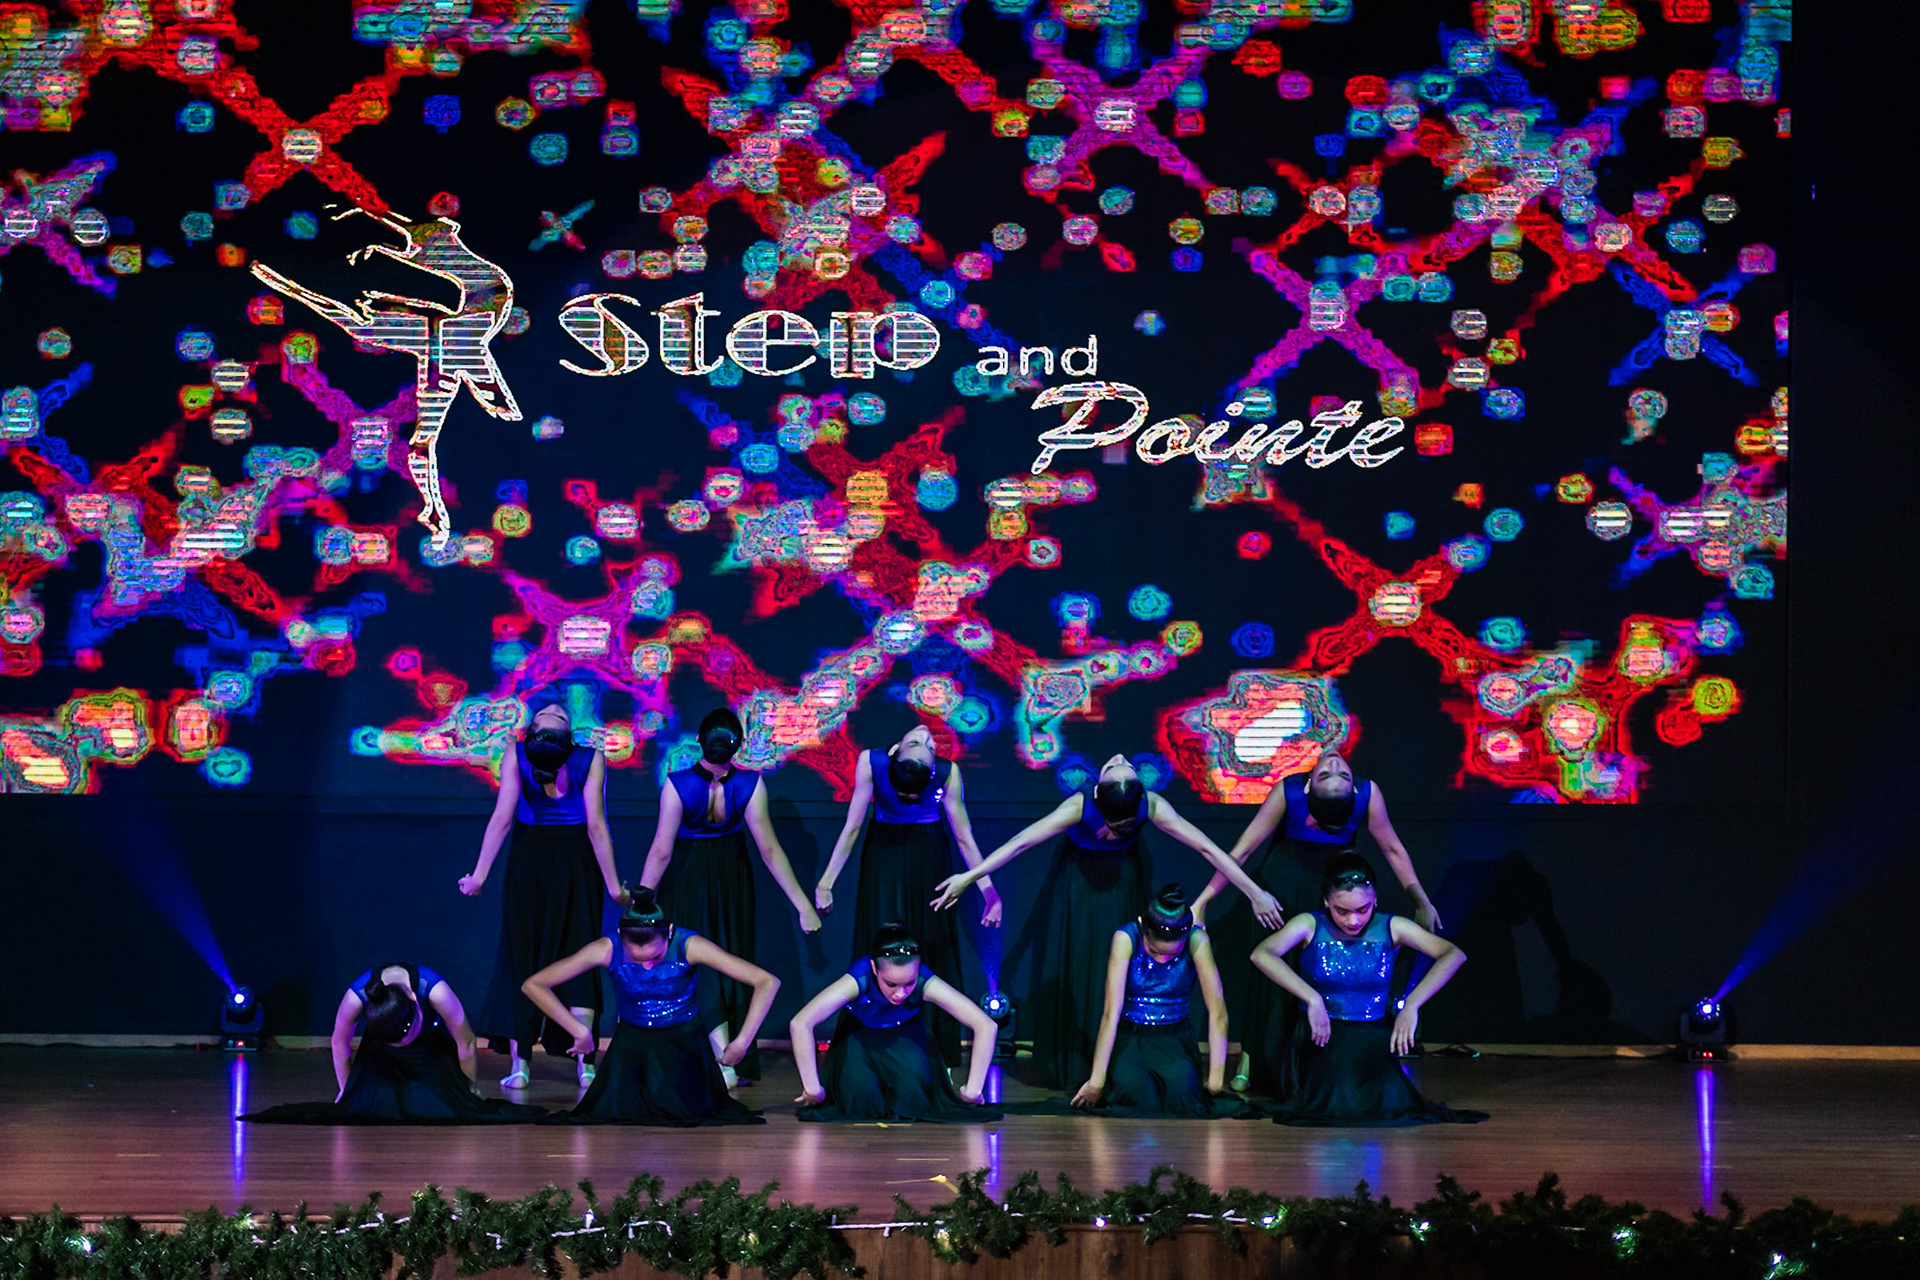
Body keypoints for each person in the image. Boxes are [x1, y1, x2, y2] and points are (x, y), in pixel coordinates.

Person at [931, 754, 1284, 1089]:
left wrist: (1254, 892)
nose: (1119, 757)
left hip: (1124, 883)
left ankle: (1118, 1063)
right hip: (1080, 886)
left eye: (1123, 767)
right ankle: (1080, 1064)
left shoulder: (1151, 805)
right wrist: (971, 878)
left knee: (1121, 967)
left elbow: (1208, 848)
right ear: (1099, 795)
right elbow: (1021, 843)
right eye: (1118, 766)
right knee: (1084, 961)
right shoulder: (1079, 807)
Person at [1193, 748, 1440, 1095]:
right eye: (1327, 775)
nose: (1336, 765)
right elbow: (1243, 850)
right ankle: (1253, 1057)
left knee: (1324, 972)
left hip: (1337, 887)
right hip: (1283, 886)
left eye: (1340, 776)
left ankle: (1314, 1060)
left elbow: (1392, 849)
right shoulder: (1288, 791)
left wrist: (1421, 900)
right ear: (1308, 787)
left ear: (1354, 790)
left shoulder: (1369, 793)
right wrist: (1206, 899)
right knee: (1272, 973)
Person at [639, 708, 821, 1085]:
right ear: (738, 745)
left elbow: (661, 851)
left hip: (693, 879)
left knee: (696, 960)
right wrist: (803, 906)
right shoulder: (750, 784)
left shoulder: (678, 783)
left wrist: (642, 903)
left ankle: (721, 1059)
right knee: (725, 960)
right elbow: (769, 850)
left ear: (700, 740)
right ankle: (725, 1059)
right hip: (728, 881)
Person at [462, 692, 625, 1090]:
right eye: (551, 714)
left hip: (540, 861)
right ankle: (551, 1065)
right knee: (548, 955)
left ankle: (560, 1063)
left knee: (558, 956)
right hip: (564, 862)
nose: (554, 707)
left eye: (556, 714)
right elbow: (594, 826)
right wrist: (614, 887)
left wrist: (480, 876)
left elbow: (507, 818)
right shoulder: (585, 757)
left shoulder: (524, 753)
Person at [814, 725, 1003, 1065]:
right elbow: (853, 826)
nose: (927, 735)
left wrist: (989, 892)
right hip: (883, 855)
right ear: (895, 752)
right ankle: (874, 1043)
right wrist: (826, 882)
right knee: (883, 944)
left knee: (930, 945)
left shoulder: (947, 772)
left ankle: (932, 1048)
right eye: (917, 742)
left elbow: (964, 836)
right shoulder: (870, 762)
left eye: (930, 747)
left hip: (928, 857)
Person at [1252, 852, 1484, 1126]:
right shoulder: (1310, 924)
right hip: (1323, 1037)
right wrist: (1312, 998)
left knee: (1387, 1103)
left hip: (1371, 1037)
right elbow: (1262, 954)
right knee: (1337, 1101)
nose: (1353, 920)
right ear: (1326, 901)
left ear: (1375, 900)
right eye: (1342, 911)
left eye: (1363, 909)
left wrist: (1412, 1004)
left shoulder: (1391, 927)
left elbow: (1453, 954)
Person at [527, 887, 771, 1126]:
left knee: (686, 1112)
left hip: (683, 1046)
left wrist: (742, 1042)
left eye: (656, 957)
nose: (647, 967)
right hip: (632, 1047)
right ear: (620, 935)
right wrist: (579, 1030)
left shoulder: (688, 945)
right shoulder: (608, 948)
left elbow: (767, 982)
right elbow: (534, 985)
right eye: (636, 959)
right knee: (618, 1114)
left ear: (670, 932)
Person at [245, 964, 545, 1124]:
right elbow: (339, 1042)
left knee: (443, 1105)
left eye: (405, 1033)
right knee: (368, 1105)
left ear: (414, 1002)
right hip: (380, 1051)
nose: (403, 1042)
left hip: (430, 1046)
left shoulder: (434, 990)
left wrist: (469, 1087)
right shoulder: (358, 996)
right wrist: (346, 1090)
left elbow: (465, 1041)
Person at [792, 925, 1004, 1123]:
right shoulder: (859, 979)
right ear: (874, 968)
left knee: (913, 1100)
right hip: (859, 1034)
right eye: (891, 984)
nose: (901, 994)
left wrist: (973, 1090)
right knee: (861, 1101)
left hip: (905, 1032)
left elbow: (986, 1025)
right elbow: (801, 1023)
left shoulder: (924, 981)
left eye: (909, 983)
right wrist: (812, 1089)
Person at [1070, 885, 1248, 1118]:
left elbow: (1218, 1012)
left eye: (1172, 955)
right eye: (1154, 952)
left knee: (1182, 1096)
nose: (1163, 960)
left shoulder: (1196, 940)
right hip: (1132, 1039)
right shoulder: (1126, 938)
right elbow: (1110, 1014)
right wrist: (1096, 1082)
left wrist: (1215, 1081)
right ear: (1143, 929)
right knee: (1140, 1099)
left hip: (1175, 1040)